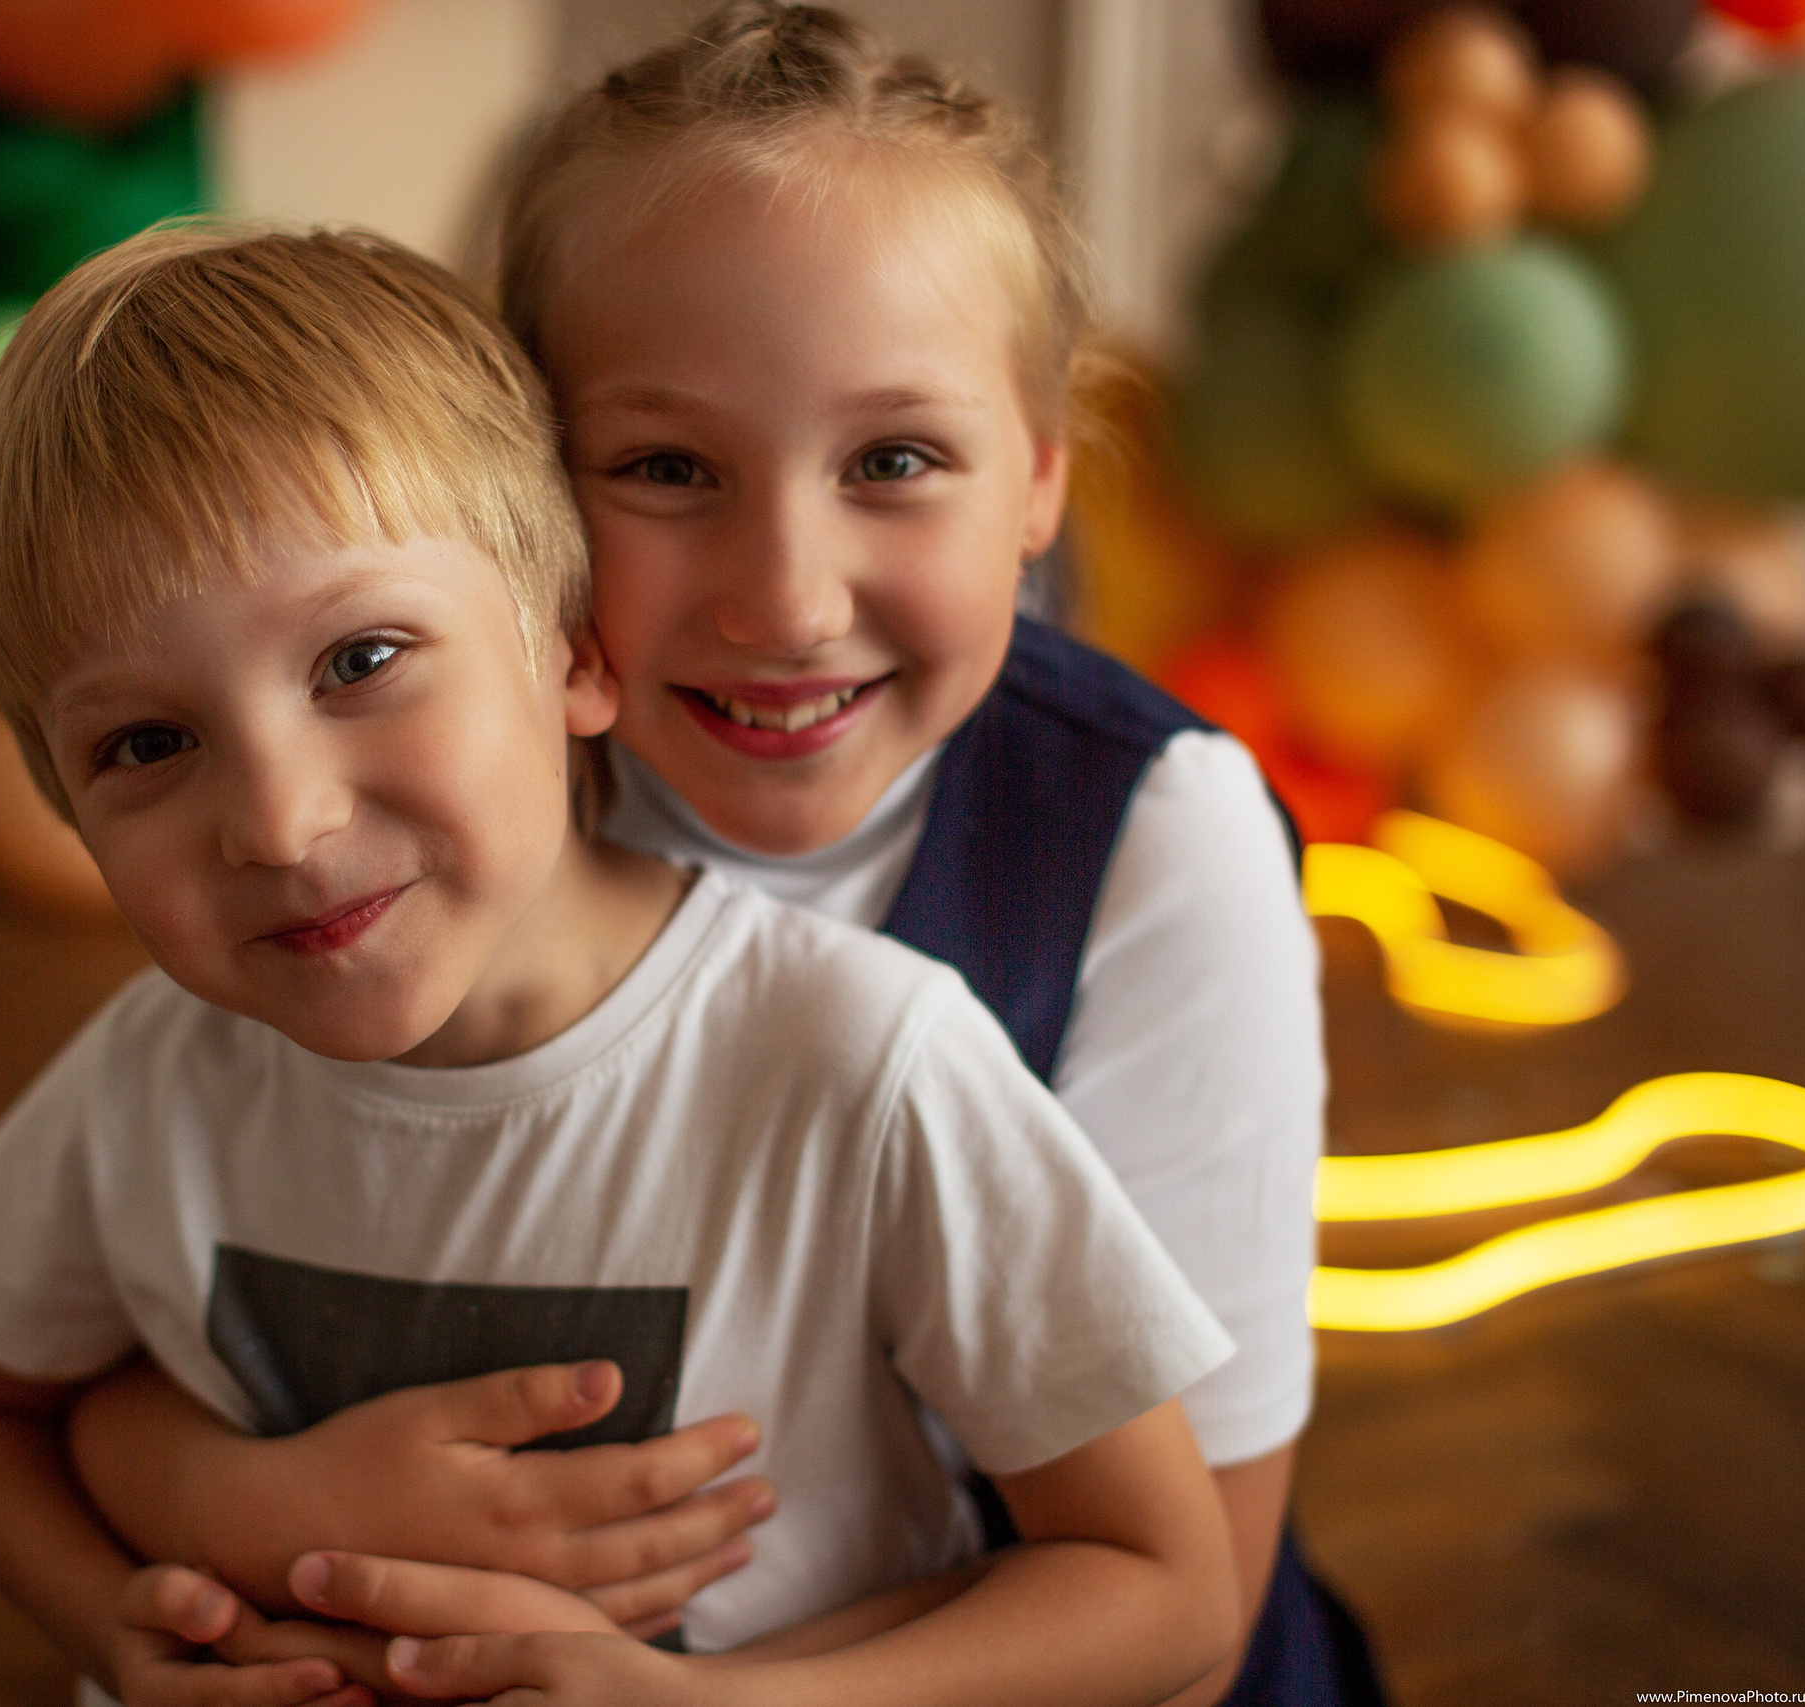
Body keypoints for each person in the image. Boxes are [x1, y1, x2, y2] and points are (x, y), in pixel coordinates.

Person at [77, 8, 1385, 1706]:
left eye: (895, 461)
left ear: (1043, 478)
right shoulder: (411, 811)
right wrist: (248, 1505)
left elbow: (1185, 1623)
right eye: (666, 467)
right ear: (524, 490)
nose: (785, 600)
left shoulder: (1151, 843)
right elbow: (102, 1337)